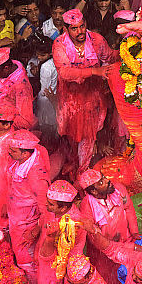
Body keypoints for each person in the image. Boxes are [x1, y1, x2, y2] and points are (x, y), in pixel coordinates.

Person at [52, 9, 118, 172]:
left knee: (89, 137)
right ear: (66, 30)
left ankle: (83, 172)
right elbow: (65, 72)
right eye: (74, 28)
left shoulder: (96, 40)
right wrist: (94, 71)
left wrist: (128, 49)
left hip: (93, 97)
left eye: (82, 26)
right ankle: (76, 168)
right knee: (72, 138)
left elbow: (109, 57)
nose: (80, 31)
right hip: (71, 101)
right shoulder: (59, 44)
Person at [78, 169, 140, 284]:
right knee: (110, 283)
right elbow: (97, 240)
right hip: (103, 255)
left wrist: (134, 232)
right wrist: (127, 247)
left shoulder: (119, 189)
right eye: (101, 182)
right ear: (94, 192)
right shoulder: (87, 206)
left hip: (127, 240)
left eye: (104, 177)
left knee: (129, 277)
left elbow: (129, 208)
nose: (107, 181)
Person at [7, 129, 51, 284]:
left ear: (25, 153)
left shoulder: (37, 176)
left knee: (29, 263)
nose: (9, 153)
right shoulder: (21, 162)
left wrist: (34, 233)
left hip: (28, 227)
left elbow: (47, 210)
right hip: (18, 222)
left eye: (12, 151)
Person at [36, 180, 86, 284]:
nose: (46, 204)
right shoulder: (54, 210)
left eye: (50, 204)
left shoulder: (72, 224)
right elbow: (44, 223)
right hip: (47, 259)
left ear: (63, 208)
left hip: (59, 265)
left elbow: (61, 255)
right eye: (47, 201)